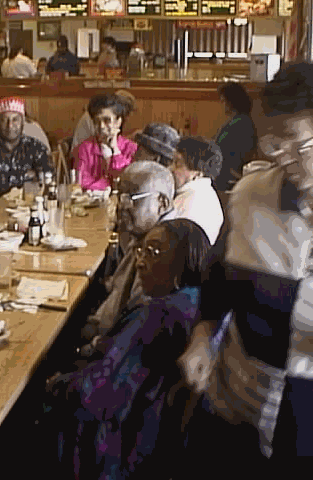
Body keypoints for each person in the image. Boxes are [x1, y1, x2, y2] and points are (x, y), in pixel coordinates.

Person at [178, 62, 313, 479]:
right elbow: (219, 279)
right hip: (236, 404)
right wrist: (202, 335)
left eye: (300, 144)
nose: (285, 160)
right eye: (276, 143)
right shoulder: (251, 196)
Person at [41, 219, 210, 480]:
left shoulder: (156, 315)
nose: (141, 262)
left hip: (117, 448)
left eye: (153, 252)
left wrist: (55, 384)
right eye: (141, 251)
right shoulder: (195, 302)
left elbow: (91, 393)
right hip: (151, 441)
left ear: (182, 262)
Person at [82, 161, 176, 340]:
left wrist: (91, 344)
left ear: (162, 203)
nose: (121, 206)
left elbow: (130, 329)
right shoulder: (144, 233)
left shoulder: (159, 252)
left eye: (131, 199)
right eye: (121, 197)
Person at [0, 96, 52, 207]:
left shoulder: (36, 147)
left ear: (23, 121)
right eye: (4, 120)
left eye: (15, 119)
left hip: (28, 210)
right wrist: (26, 175)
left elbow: (48, 178)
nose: (10, 126)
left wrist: (3, 179)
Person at [162, 136, 224, 245]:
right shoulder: (200, 192)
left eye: (177, 163)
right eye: (172, 161)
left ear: (198, 173)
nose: (170, 169)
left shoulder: (194, 202)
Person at [75, 94, 138, 191]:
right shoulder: (84, 149)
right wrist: (109, 184)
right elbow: (81, 183)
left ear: (118, 122)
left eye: (107, 120)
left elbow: (128, 182)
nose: (101, 126)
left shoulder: (131, 148)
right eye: (97, 121)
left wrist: (115, 150)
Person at [214, 82, 257, 191]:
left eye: (223, 101)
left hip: (228, 177)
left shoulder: (240, 124)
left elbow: (222, 150)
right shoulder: (238, 121)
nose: (222, 104)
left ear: (231, 102)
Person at [71, 89, 136, 151]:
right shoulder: (96, 115)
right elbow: (104, 139)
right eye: (127, 113)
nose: (127, 118)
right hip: (83, 152)